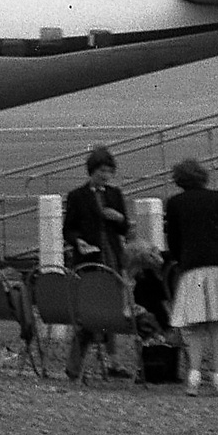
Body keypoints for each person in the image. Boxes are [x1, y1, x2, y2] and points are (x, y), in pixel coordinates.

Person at [164, 158, 218, 397]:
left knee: (195, 325)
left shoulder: (175, 202)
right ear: (202, 176)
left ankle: (194, 376)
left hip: (192, 267)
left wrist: (181, 259)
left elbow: (174, 239)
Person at [62, 146, 133, 379]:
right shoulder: (77, 196)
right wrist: (79, 241)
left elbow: (124, 228)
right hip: (89, 260)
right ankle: (74, 365)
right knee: (87, 314)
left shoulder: (115, 194)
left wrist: (119, 218)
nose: (106, 175)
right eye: (102, 170)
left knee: (112, 311)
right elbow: (68, 229)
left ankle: (115, 362)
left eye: (109, 171)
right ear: (92, 170)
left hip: (111, 257)